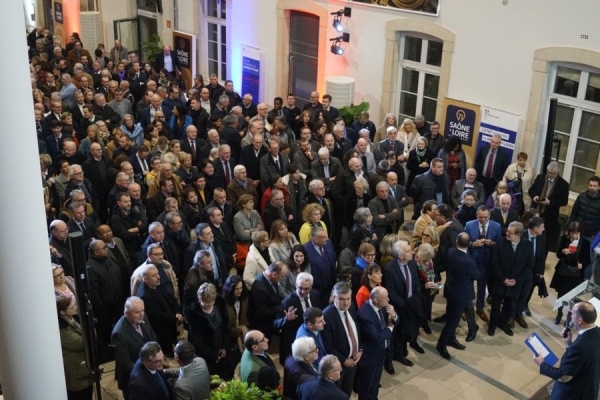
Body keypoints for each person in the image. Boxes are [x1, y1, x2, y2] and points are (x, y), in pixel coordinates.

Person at [534, 301, 600, 400]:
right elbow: (585, 356)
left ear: (579, 320)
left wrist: (542, 364)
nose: (571, 316)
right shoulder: (596, 333)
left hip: (573, 394)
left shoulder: (579, 347)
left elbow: (563, 376)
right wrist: (570, 343)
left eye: (572, 314)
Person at [435, 233, 480, 359]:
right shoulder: (468, 261)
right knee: (453, 321)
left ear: (456, 242)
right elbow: (477, 275)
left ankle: (451, 339)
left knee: (450, 315)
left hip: (450, 290)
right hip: (460, 294)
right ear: (469, 244)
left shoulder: (450, 251)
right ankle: (441, 344)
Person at [383, 240, 425, 367]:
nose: (412, 252)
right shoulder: (390, 269)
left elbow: (416, 281)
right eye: (408, 251)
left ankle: (406, 347)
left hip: (413, 303)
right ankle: (395, 355)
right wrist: (405, 305)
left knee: (410, 328)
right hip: (400, 307)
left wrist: (415, 299)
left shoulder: (411, 263)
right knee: (398, 333)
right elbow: (391, 293)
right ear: (400, 256)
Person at [488, 221, 534, 337]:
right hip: (500, 281)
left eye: (510, 232)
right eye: (507, 231)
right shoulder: (500, 242)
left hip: (515, 284)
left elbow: (529, 266)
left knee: (509, 306)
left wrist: (517, 280)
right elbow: (494, 263)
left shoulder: (528, 245)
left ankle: (503, 323)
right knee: (495, 306)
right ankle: (492, 325)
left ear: (518, 235)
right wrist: (503, 279)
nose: (506, 233)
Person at [184, 282, 235, 379]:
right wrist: (214, 355)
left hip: (222, 350)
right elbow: (197, 342)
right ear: (199, 299)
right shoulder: (194, 316)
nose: (208, 304)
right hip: (206, 356)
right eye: (205, 302)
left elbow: (225, 328)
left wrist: (224, 347)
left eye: (211, 301)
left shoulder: (220, 307)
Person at [355, 287, 397, 399]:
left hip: (380, 353)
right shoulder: (365, 314)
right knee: (366, 386)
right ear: (376, 300)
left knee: (375, 383)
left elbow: (395, 320)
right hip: (370, 357)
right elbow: (377, 337)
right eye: (385, 298)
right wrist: (390, 328)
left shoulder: (382, 306)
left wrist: (394, 315)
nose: (388, 299)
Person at [322, 282, 362, 397]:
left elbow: (356, 329)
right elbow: (327, 347)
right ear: (334, 297)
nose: (346, 303)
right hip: (338, 365)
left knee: (346, 392)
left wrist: (360, 349)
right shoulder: (327, 315)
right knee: (336, 394)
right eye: (341, 299)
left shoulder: (352, 306)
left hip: (353, 360)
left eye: (348, 299)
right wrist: (344, 360)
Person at [111, 296, 157, 396]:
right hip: (133, 378)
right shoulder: (119, 334)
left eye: (143, 310)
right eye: (137, 312)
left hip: (150, 370)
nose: (141, 315)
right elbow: (126, 364)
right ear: (126, 313)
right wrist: (149, 367)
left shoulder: (143, 317)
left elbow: (152, 337)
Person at [464, 205, 501, 324]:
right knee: (468, 286)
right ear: (476, 215)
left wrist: (492, 243)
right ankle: (466, 308)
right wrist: (473, 244)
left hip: (486, 262)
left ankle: (480, 308)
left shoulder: (496, 226)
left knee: (482, 286)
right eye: (480, 217)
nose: (483, 220)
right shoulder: (469, 225)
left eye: (485, 217)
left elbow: (500, 245)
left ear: (489, 215)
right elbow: (463, 242)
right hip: (471, 262)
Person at [550, 221, 590, 324]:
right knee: (561, 295)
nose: (574, 235)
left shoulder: (585, 242)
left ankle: (569, 317)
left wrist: (582, 265)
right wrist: (563, 251)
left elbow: (587, 260)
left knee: (572, 297)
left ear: (580, 232)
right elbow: (558, 254)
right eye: (572, 233)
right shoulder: (565, 239)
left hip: (576, 275)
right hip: (563, 272)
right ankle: (559, 314)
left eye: (576, 233)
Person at [56, 296, 94, 400]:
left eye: (75, 305)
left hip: (83, 367)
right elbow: (81, 343)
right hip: (76, 372)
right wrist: (91, 330)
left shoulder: (73, 319)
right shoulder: (63, 329)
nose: (75, 308)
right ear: (62, 312)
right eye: (71, 308)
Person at [474, 133, 511, 198]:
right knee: (477, 196)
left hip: (493, 181)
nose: (493, 144)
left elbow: (504, 168)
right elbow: (477, 162)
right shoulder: (483, 149)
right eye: (492, 142)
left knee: (489, 198)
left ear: (499, 144)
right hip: (481, 178)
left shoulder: (503, 154)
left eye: (496, 143)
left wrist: (499, 179)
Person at [222, 275, 249, 363]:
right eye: (236, 289)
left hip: (243, 334)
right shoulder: (224, 303)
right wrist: (238, 331)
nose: (239, 291)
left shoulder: (244, 299)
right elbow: (225, 325)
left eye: (241, 288)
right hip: (230, 337)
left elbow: (247, 315)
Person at [568, 175, 600, 240]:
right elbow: (574, 214)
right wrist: (570, 228)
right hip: (577, 231)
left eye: (594, 186)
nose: (592, 188)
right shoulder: (581, 197)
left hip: (591, 234)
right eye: (590, 185)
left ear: (599, 187)